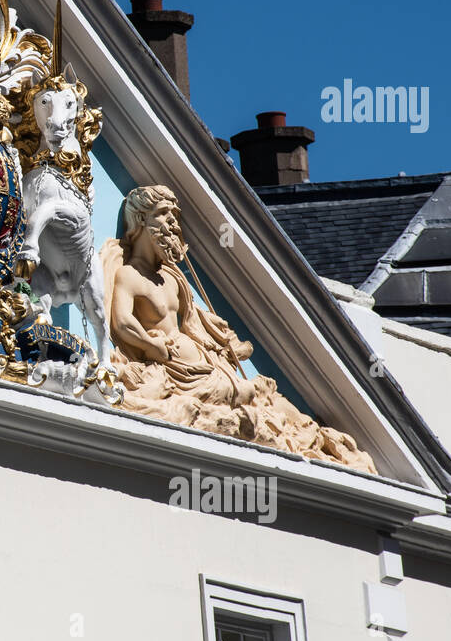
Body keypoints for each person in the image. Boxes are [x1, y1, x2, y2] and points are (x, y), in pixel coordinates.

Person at [101, 185, 376, 473]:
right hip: (179, 375)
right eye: (163, 213)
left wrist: (219, 335)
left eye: (174, 215)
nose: (172, 222)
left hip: (208, 367)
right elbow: (122, 321)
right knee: (251, 396)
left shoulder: (173, 277)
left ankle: (316, 437)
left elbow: (192, 321)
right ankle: (310, 439)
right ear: (141, 220)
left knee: (259, 396)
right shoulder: (129, 275)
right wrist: (149, 345)